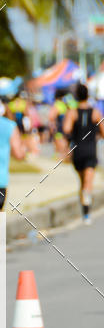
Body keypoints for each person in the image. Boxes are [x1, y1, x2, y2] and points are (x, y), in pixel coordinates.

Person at [62, 83, 104, 224]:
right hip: (90, 150)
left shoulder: (72, 112)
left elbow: (66, 130)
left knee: (82, 181)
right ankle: (86, 211)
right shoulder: (96, 112)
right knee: (88, 181)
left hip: (78, 151)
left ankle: (84, 208)